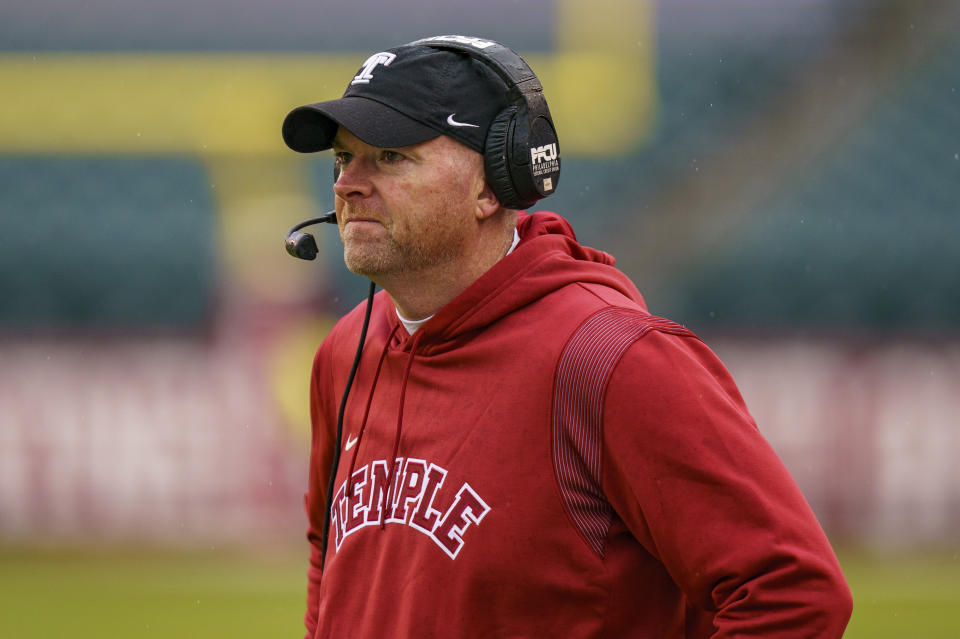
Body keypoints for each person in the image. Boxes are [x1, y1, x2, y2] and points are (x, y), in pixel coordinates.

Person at [281, 35, 852, 639]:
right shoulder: (344, 352)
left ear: (493, 182)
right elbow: (331, 558)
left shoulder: (616, 360)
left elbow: (793, 592)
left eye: (391, 157)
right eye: (344, 158)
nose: (348, 185)